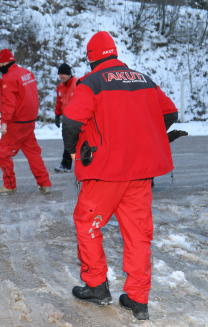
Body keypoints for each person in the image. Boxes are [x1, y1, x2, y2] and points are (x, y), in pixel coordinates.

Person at [62, 31, 178, 321]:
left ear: (90, 58)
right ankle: (138, 300)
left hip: (105, 174)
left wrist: (74, 151)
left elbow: (71, 121)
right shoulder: (143, 79)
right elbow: (170, 113)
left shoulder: (91, 82)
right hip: (140, 174)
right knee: (138, 235)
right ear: (114, 52)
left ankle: (97, 286)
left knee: (87, 223)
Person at [0, 49, 52, 195]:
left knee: (3, 153)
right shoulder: (27, 73)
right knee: (33, 152)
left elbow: (8, 103)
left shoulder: (8, 78)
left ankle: (10, 185)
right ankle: (45, 184)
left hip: (16, 122)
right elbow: (32, 95)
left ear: (6, 62)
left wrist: (5, 123)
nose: (0, 66)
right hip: (29, 120)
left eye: (0, 64)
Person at [54, 63, 77, 173]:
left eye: (62, 74)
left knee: (76, 141)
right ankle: (66, 164)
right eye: (59, 74)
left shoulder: (78, 84)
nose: (60, 76)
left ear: (68, 74)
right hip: (67, 119)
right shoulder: (60, 86)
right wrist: (57, 115)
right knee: (68, 141)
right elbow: (59, 102)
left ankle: (67, 164)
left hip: (77, 118)